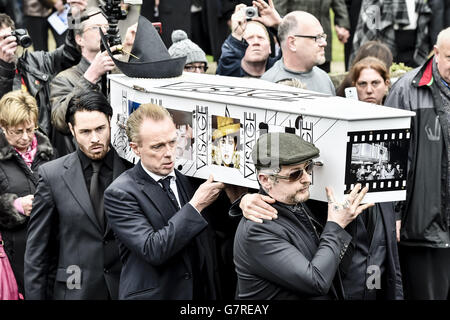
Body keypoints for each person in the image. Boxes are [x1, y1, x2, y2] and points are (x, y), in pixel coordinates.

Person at [104, 103, 228, 300]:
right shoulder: (120, 193)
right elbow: (153, 249)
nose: (169, 152)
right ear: (135, 148)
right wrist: (196, 206)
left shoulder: (189, 178)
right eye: (158, 146)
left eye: (172, 142)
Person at [233, 132, 373, 299]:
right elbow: (316, 281)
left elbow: (337, 269)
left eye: (308, 168)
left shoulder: (297, 203)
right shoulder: (257, 230)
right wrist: (335, 226)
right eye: (295, 174)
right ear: (265, 180)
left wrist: (345, 219)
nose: (307, 179)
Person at [24, 90, 133, 300]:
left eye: (100, 128)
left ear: (110, 122)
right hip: (74, 291)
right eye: (85, 131)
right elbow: (37, 253)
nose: (95, 138)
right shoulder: (51, 176)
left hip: (127, 290)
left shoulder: (132, 170)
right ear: (72, 130)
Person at [384, 27, 450, 300]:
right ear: (435, 53)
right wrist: (395, 214)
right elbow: (391, 157)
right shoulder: (406, 90)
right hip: (423, 225)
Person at [50, 8, 134, 157]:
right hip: (84, 156)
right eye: (96, 28)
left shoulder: (119, 72)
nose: (104, 32)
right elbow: (60, 122)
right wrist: (90, 77)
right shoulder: (64, 78)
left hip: (122, 155)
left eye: (107, 28)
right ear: (79, 39)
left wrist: (132, 50)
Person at [0, 0, 85, 139]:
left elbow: (69, 55)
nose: (7, 43)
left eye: (8, 37)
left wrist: (74, 18)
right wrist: (5, 67)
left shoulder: (35, 61)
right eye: (1, 39)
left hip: (46, 143)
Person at [0, 90, 54, 299]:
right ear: (3, 127)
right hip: (16, 250)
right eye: (17, 131)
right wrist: (15, 206)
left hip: (49, 244)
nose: (25, 137)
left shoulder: (46, 149)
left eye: (29, 129)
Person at [261, 11, 336, 95]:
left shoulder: (324, 78)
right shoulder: (269, 85)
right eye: (317, 37)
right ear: (292, 43)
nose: (324, 43)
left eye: (323, 36)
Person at [272, 0, 350, 73]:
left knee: (323, 70)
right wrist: (278, 30)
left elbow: (339, 4)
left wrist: (342, 23)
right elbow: (278, 8)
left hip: (322, 32)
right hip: (298, 37)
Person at [216, 1, 279, 78]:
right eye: (250, 38)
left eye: (260, 38)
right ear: (240, 47)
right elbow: (228, 63)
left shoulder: (279, 70)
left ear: (270, 47)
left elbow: (293, 51)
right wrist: (236, 35)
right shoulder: (230, 74)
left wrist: (279, 26)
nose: (256, 42)